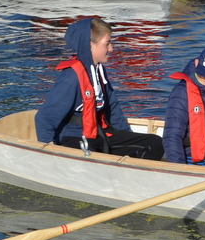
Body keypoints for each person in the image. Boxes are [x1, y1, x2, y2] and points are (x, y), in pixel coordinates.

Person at [35, 17, 164, 160]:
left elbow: (113, 108)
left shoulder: (98, 71)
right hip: (74, 138)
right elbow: (44, 118)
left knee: (154, 143)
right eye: (107, 43)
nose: (111, 48)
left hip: (97, 133)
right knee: (97, 149)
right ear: (90, 45)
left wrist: (128, 135)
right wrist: (48, 153)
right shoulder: (71, 77)